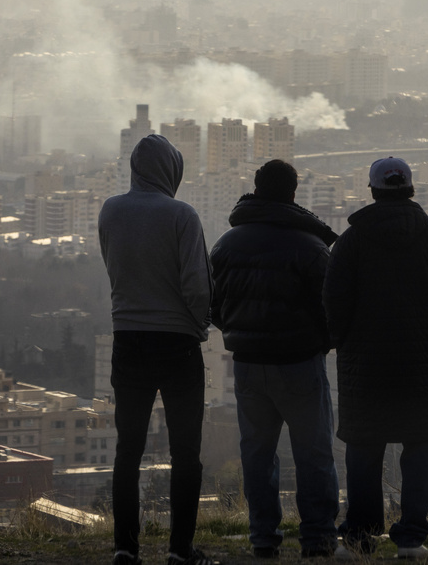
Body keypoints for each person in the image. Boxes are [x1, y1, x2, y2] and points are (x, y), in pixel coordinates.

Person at [323, 157, 428, 560]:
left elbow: (333, 299)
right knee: (420, 447)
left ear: (372, 191)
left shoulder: (351, 242)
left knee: (364, 448)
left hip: (366, 367)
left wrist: (344, 341)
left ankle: (359, 536)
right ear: (410, 189)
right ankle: (411, 539)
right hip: (424, 369)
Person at [210, 159, 341, 559]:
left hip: (248, 365)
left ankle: (263, 537)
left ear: (256, 188)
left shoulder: (227, 244)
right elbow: (331, 310)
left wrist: (239, 334)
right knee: (314, 454)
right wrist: (322, 342)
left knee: (257, 453)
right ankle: (317, 539)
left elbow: (213, 305)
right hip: (300, 363)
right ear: (293, 193)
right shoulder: (312, 247)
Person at [98, 134, 219, 565]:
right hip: (177, 345)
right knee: (185, 451)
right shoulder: (181, 215)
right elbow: (196, 286)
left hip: (127, 339)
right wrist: (199, 325)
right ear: (172, 171)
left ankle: (125, 548)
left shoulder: (110, 211)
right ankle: (179, 550)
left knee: (127, 450)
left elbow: (114, 268)